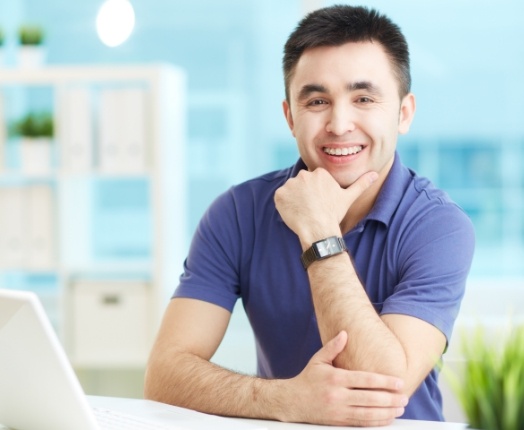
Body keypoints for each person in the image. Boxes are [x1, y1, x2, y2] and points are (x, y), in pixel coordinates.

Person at [144, 4, 475, 427]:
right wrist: (284, 399)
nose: (339, 124)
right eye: (317, 100)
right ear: (290, 117)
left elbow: (379, 385)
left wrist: (319, 231)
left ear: (403, 113)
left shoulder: (439, 226)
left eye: (364, 98)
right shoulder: (237, 214)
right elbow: (164, 375)